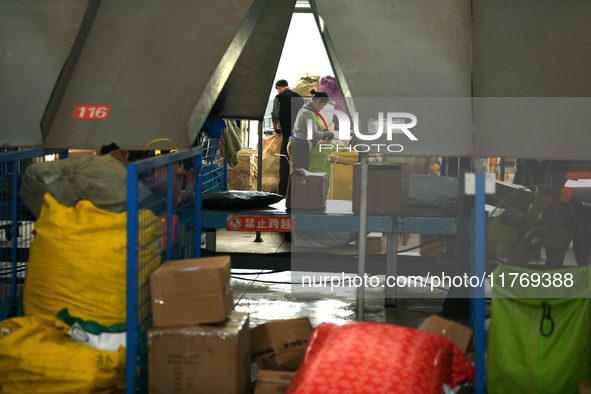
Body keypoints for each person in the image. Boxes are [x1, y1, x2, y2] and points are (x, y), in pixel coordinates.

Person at [271, 79, 304, 196]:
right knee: (298, 164)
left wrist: (276, 128)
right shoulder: (299, 96)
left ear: (279, 88)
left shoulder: (279, 97)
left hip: (287, 135)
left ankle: (283, 193)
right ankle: (297, 192)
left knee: (285, 164)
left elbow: (275, 114)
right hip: (300, 135)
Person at [288, 89, 334, 171]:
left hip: (300, 144)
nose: (322, 108)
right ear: (318, 101)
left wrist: (325, 130)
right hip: (299, 146)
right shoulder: (308, 112)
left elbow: (316, 126)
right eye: (323, 105)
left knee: (300, 173)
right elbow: (313, 133)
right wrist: (326, 134)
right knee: (298, 174)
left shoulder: (311, 111)